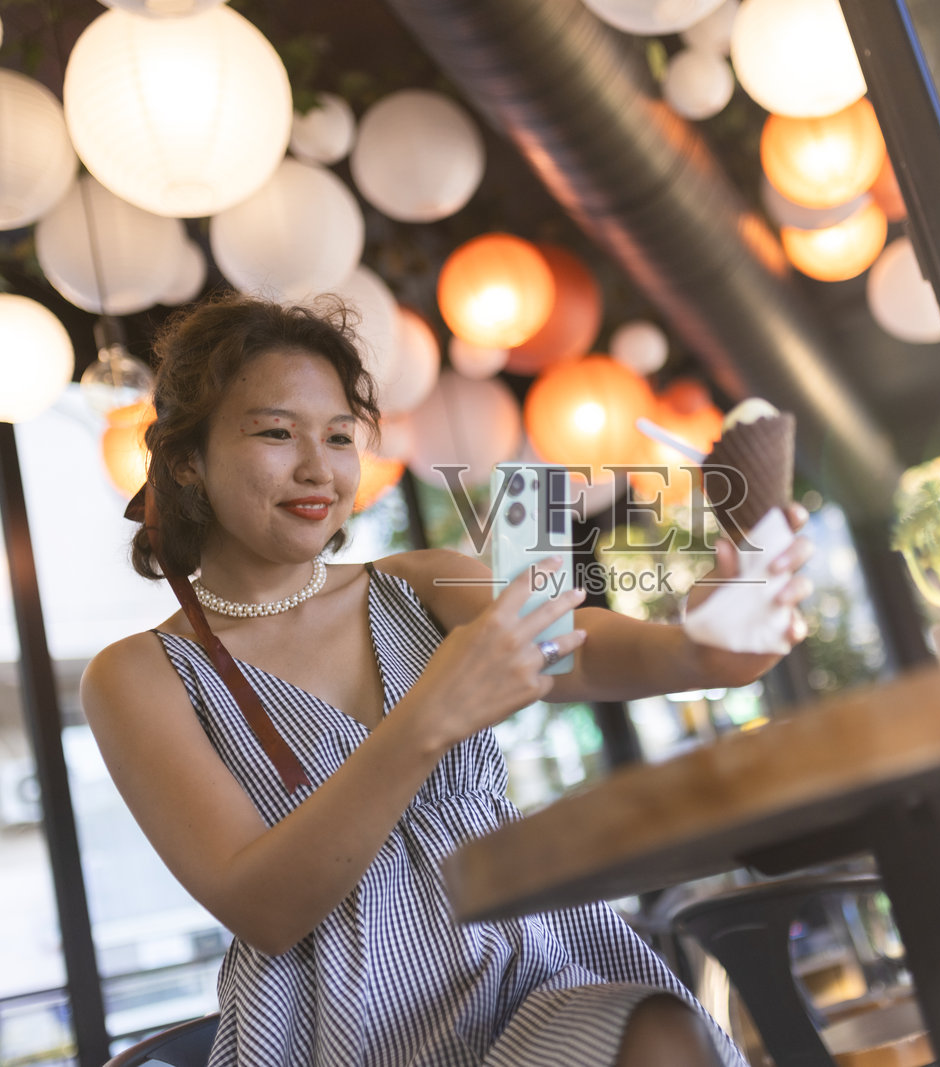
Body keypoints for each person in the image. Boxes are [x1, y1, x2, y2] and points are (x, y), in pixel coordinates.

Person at [80, 292, 815, 1066]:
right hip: (345, 1024)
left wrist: (703, 647)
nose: (317, 467)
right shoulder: (141, 675)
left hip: (527, 965)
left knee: (659, 1032)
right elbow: (265, 906)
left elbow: (575, 649)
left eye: (338, 435)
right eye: (274, 432)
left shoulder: (421, 582)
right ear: (188, 459)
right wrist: (428, 716)